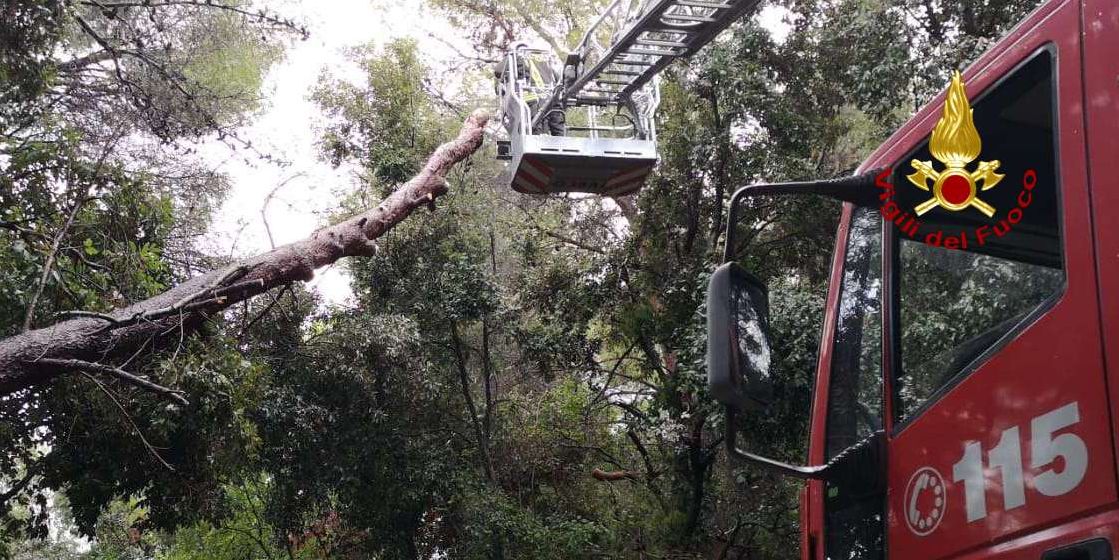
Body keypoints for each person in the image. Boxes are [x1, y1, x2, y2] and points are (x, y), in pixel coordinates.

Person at [494, 51, 565, 136]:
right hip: (551, 98)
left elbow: (498, 70)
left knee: (535, 128)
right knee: (558, 130)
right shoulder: (544, 60)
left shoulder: (515, 57)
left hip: (531, 97)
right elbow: (558, 79)